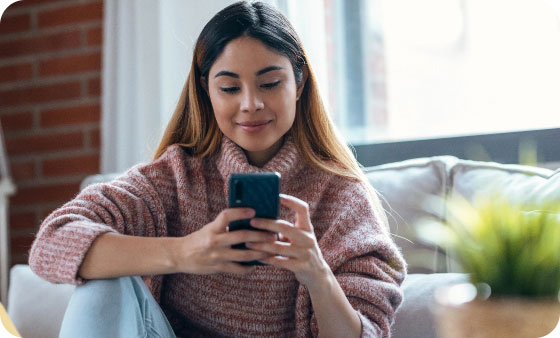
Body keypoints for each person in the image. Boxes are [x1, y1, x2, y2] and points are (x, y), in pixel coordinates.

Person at [28, 1, 406, 337]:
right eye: (229, 88)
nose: (251, 104)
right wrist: (183, 252)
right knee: (102, 282)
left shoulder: (341, 198)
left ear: (299, 82)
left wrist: (317, 273)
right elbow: (52, 242)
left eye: (270, 83)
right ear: (206, 91)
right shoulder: (172, 180)